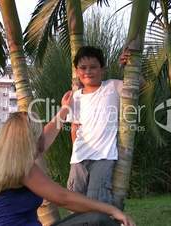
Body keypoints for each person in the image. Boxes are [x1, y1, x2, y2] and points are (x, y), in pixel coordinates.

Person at [0, 91, 135, 226]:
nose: (41, 138)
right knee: (99, 219)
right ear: (29, 140)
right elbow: (63, 198)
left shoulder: (6, 161)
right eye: (37, 135)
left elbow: (45, 138)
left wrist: (65, 109)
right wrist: (112, 210)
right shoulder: (24, 169)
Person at [67, 46, 124, 205]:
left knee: (97, 200)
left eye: (93, 67)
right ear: (77, 71)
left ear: (102, 69)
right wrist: (76, 153)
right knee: (75, 201)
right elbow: (74, 127)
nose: (88, 71)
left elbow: (138, 84)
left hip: (104, 157)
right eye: (83, 68)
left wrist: (128, 65)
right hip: (79, 158)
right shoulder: (75, 97)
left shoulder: (112, 87)